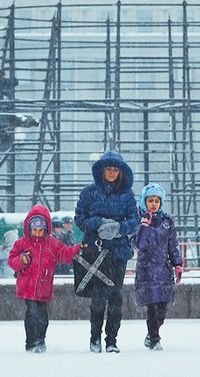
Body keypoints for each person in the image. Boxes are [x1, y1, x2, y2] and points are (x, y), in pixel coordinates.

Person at [74, 150, 140, 353]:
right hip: (96, 251)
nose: (111, 173)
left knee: (116, 297)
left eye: (115, 169)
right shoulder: (89, 192)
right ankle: (95, 338)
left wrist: (119, 228)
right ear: (101, 170)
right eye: (108, 169)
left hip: (118, 252)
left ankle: (112, 340)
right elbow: (80, 218)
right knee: (98, 298)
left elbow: (135, 220)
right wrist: (98, 223)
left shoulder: (127, 194)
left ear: (121, 172)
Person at [7, 205, 81, 353]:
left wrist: (78, 248)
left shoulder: (53, 244)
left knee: (42, 317)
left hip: (44, 287)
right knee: (32, 313)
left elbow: (65, 254)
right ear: (29, 228)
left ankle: (40, 340)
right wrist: (22, 260)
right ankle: (32, 342)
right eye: (34, 230)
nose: (37, 234)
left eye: (40, 231)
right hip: (28, 287)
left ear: (46, 229)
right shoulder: (21, 243)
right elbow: (11, 261)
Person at [133, 183, 183, 351]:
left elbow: (172, 245)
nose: (154, 204)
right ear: (144, 202)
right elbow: (139, 244)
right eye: (150, 200)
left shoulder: (167, 221)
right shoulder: (138, 220)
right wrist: (144, 225)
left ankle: (151, 334)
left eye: (157, 200)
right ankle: (155, 339)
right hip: (146, 270)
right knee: (152, 306)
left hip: (163, 270)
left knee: (162, 308)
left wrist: (177, 264)